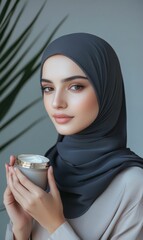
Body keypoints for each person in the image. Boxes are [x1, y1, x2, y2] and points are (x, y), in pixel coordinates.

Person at [4, 33, 143, 240]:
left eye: (75, 86)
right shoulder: (47, 170)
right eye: (48, 88)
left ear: (106, 89)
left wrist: (55, 224)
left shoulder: (134, 186)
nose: (56, 102)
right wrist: (21, 229)